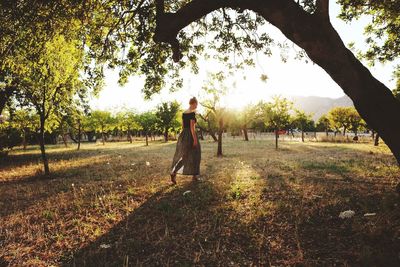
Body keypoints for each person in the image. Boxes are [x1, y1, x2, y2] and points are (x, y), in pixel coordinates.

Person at [170, 97, 201, 184]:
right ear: (193, 103)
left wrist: (182, 137)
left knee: (184, 156)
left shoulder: (184, 113)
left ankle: (174, 172)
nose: (196, 106)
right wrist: (194, 140)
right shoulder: (192, 113)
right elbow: (192, 128)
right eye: (196, 104)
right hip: (190, 135)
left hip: (184, 135)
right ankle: (194, 176)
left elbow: (183, 127)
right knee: (196, 154)